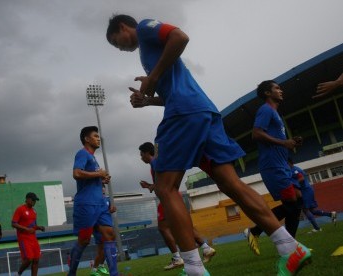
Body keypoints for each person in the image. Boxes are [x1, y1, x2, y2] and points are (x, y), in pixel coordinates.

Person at [106, 15, 311, 276]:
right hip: (202, 112)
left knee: (165, 188)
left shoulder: (146, 28)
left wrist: (153, 77)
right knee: (230, 183)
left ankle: (192, 267)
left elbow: (180, 36)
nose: (121, 49)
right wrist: (148, 100)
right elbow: (171, 90)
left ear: (123, 27)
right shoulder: (149, 49)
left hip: (184, 114)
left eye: (117, 42)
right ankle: (289, 246)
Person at [244, 80, 306, 256]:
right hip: (272, 165)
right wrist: (283, 142)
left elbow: (277, 140)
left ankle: (259, 233)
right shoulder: (265, 110)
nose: (281, 90)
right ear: (267, 93)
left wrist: (291, 143)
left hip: (282, 165)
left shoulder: (276, 114)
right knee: (291, 205)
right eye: (277, 88)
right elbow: (256, 134)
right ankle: (287, 246)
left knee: (298, 200)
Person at [138, 142, 216, 269]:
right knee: (185, 226)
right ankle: (206, 248)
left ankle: (177, 258)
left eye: (142, 155)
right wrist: (149, 186)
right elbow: (160, 183)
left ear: (147, 153)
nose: (141, 158)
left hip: (167, 198)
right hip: (175, 195)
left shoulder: (154, 163)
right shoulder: (158, 162)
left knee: (163, 228)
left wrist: (152, 186)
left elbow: (162, 185)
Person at [69, 126, 117, 276]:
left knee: (109, 235)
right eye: (95, 136)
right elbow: (76, 173)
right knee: (83, 241)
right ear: (87, 139)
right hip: (86, 204)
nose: (98, 138)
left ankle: (114, 273)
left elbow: (93, 177)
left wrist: (102, 179)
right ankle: (71, 274)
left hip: (100, 204)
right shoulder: (82, 153)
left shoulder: (93, 158)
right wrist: (98, 174)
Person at [288, 158, 337, 232]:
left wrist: (294, 185)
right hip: (307, 190)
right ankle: (331, 214)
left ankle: (317, 228)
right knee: (312, 210)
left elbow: (301, 179)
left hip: (305, 191)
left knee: (305, 209)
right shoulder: (292, 170)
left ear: (290, 163)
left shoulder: (295, 170)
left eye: (286, 163)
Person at [12, 192, 46, 276]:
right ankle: (18, 273)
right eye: (33, 200)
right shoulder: (20, 209)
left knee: (36, 259)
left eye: (35, 200)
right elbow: (13, 223)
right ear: (27, 199)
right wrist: (26, 229)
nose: (34, 202)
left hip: (33, 238)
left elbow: (33, 226)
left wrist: (39, 227)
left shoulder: (34, 211)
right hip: (24, 238)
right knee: (29, 259)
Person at [91, 186, 116, 276]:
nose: (102, 188)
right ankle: (94, 270)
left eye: (103, 187)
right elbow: (94, 213)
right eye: (100, 187)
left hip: (106, 225)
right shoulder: (94, 199)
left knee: (105, 249)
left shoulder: (107, 199)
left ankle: (101, 267)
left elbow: (106, 212)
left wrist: (111, 210)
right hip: (99, 227)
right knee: (102, 250)